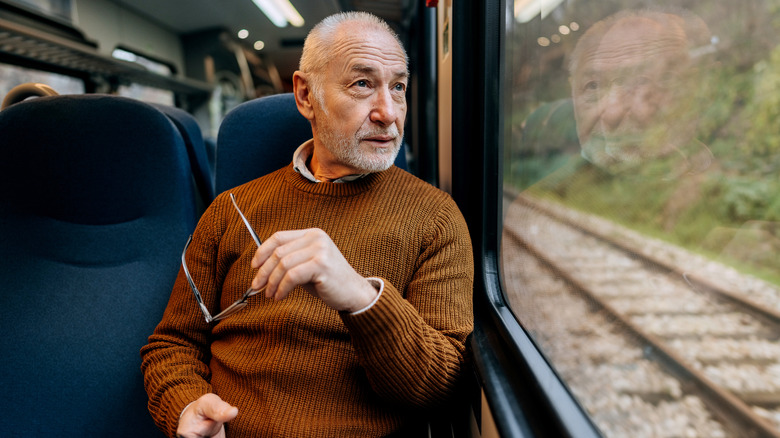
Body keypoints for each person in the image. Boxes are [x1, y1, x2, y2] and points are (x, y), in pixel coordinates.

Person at [140, 11, 474, 438]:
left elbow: (440, 386)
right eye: (362, 84)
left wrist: (360, 296)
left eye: (399, 87)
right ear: (305, 95)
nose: (388, 113)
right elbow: (173, 345)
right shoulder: (231, 209)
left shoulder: (437, 218)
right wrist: (185, 405)